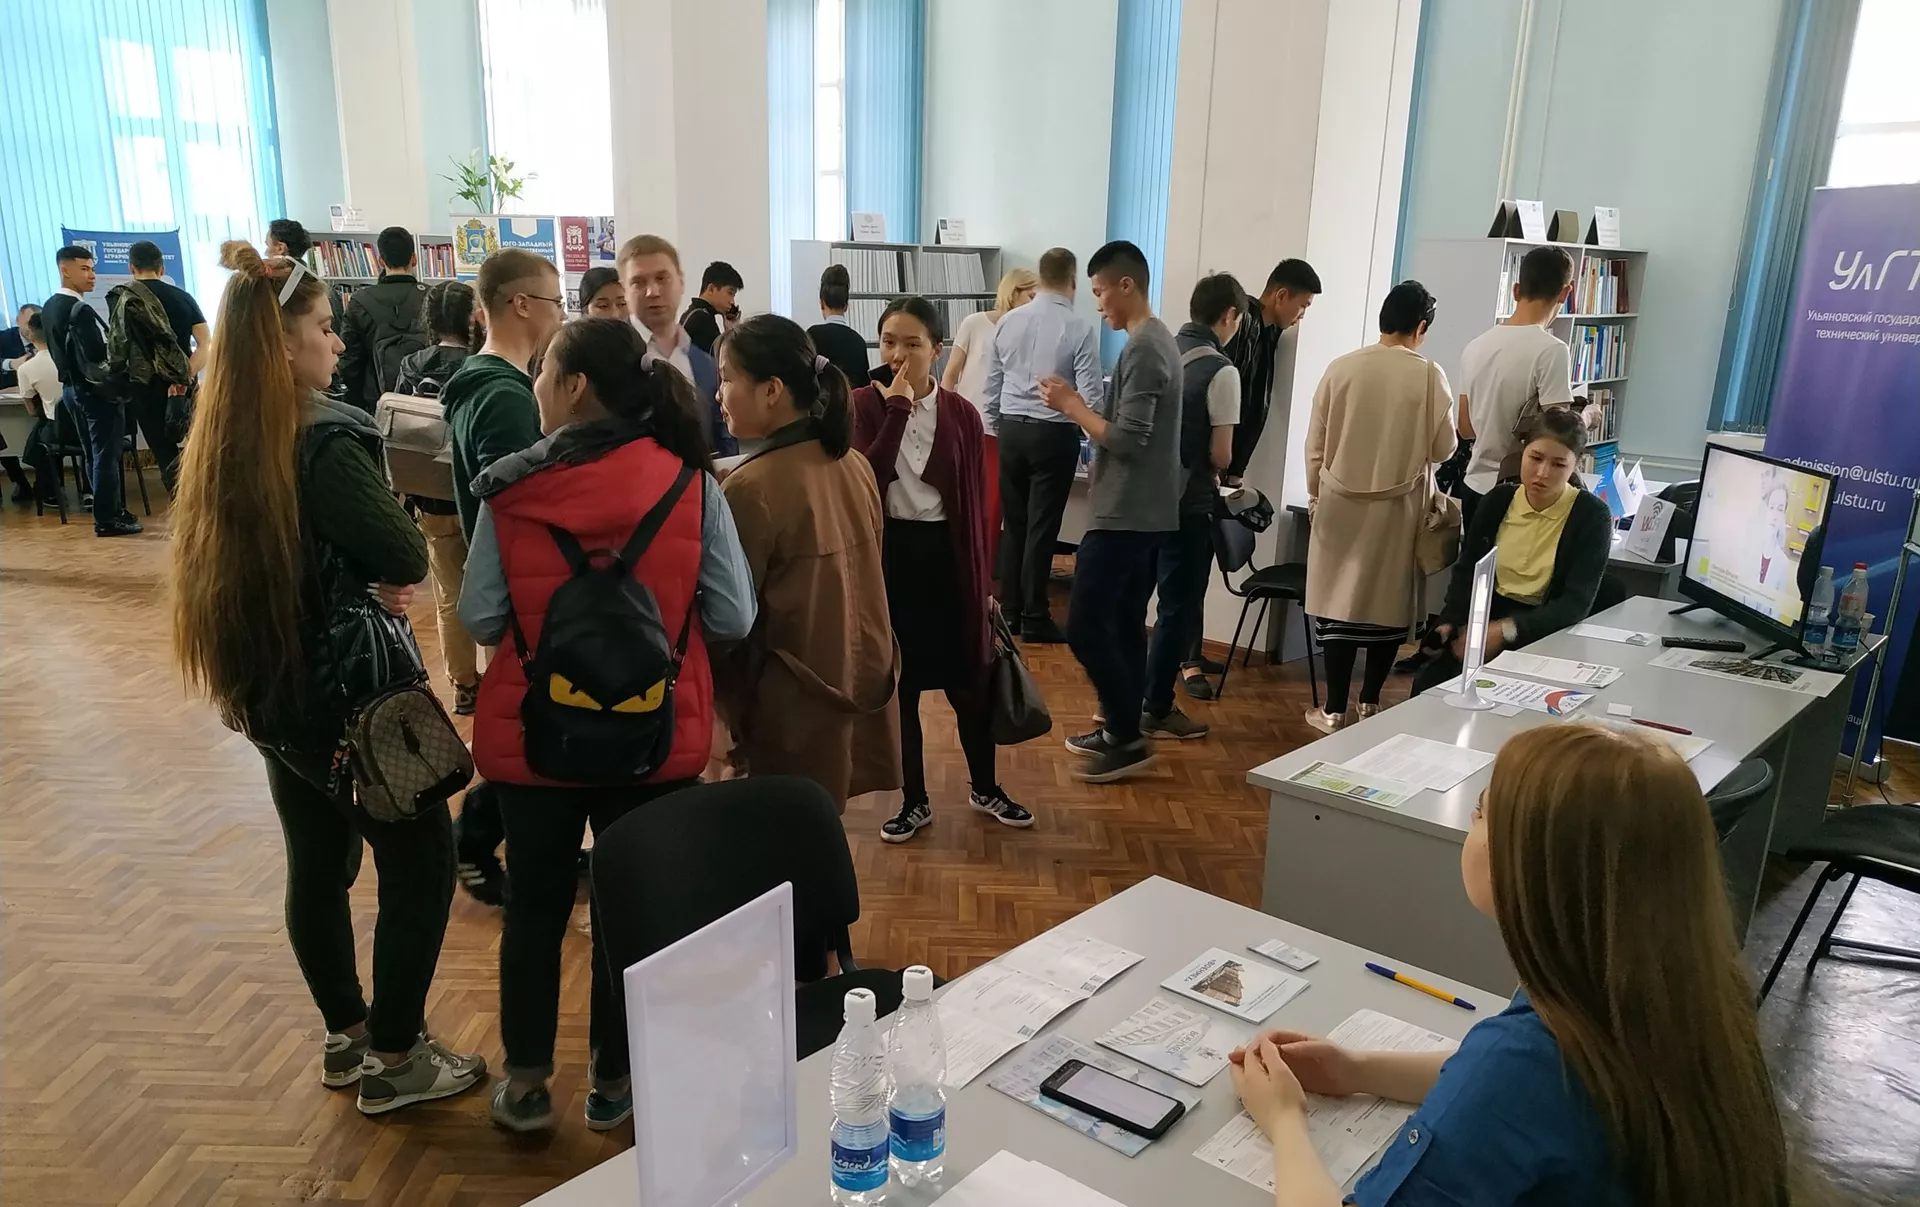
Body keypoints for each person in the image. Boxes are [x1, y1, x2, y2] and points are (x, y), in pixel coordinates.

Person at [169, 241, 485, 1115]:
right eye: (321, 326)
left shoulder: (223, 433)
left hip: (269, 690)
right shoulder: (321, 438)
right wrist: (372, 571)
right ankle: (397, 1058)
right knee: (422, 859)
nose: (338, 342)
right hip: (343, 695)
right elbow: (400, 549)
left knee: (314, 859)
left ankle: (348, 1035)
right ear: (282, 346)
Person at [1229, 722, 1790, 1206]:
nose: (1469, 826)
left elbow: (1512, 1083)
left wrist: (1284, 1121)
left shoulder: (1518, 1064)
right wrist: (1357, 1069)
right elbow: (1524, 1087)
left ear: (1526, 866)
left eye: (1480, 813)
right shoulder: (1677, 985)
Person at [458, 317, 755, 1133]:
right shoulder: (691, 484)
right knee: (631, 908)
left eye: (544, 369)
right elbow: (734, 614)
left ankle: (526, 1085)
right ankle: (614, 1081)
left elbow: (480, 616)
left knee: (535, 909)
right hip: (654, 734)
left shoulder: (509, 490)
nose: (536, 383)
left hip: (537, 735)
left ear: (575, 385)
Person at [850, 297, 1031, 843]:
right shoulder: (862, 405)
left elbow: (976, 507)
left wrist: (984, 583)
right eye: (888, 342)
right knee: (902, 688)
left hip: (950, 557)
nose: (898, 355)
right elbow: (866, 479)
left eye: (912, 343)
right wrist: (897, 408)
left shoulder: (962, 414)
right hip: (892, 559)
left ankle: (985, 787)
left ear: (937, 349)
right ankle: (914, 800)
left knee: (969, 681)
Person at [712, 314, 902, 810]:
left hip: (791, 704)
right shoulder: (853, 463)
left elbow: (732, 622)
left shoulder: (751, 488)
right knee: (815, 824)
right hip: (853, 681)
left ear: (771, 390)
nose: (718, 394)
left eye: (727, 379)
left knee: (779, 831)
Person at [442, 248, 567, 902]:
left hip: (516, 594)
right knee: (528, 733)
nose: (561, 315)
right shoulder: (505, 397)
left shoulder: (485, 384)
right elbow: (523, 512)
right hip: (524, 597)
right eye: (556, 302)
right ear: (521, 304)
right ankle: (475, 840)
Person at [1041, 240, 1183, 783]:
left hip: (1126, 512)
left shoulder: (1146, 348)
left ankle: (1127, 733)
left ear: (1127, 285)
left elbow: (1128, 440)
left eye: (1100, 291)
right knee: (1123, 622)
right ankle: (1122, 727)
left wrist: (1072, 406)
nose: (1097, 303)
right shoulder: (1151, 342)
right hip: (1141, 510)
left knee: (1083, 625)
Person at [1302, 281, 1456, 732]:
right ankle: (1369, 702)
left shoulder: (1341, 368)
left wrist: (1317, 494)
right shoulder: (1429, 374)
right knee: (1387, 607)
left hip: (1338, 503)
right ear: (1421, 327)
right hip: (1399, 507)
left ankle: (1333, 710)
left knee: (1338, 604)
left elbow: (1315, 446)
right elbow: (1444, 448)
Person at [1412, 409, 1610, 696]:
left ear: (1575, 465)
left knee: (1506, 699)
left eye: (1558, 464)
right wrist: (1450, 621)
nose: (1542, 473)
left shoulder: (1592, 515)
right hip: (1486, 620)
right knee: (1427, 689)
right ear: (1522, 452)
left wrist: (1505, 631)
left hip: (1545, 630)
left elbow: (1574, 604)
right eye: (1536, 458)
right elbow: (1468, 571)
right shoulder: (1498, 501)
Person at [1143, 273, 1246, 732]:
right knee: (1176, 608)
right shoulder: (1222, 371)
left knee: (1135, 603)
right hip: (1188, 504)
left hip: (1142, 500)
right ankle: (1157, 706)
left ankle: (1120, 703)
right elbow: (1221, 454)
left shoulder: (1159, 352)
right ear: (1229, 315)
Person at [985, 247, 1102, 643]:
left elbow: (992, 384)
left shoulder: (1008, 321)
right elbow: (1090, 396)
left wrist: (1000, 425)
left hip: (1010, 431)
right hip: (1053, 433)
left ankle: (1011, 611)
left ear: (1040, 278)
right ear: (1073, 281)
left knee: (1015, 524)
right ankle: (1034, 616)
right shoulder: (1079, 327)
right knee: (1042, 526)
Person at [396, 280, 482, 716]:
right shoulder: (481, 366)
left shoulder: (412, 365)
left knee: (449, 596)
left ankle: (464, 685)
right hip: (477, 497)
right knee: (494, 589)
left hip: (430, 498)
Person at [1456, 246, 1576, 529]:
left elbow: (1465, 428)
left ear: (1516, 290)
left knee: (1478, 559)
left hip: (1474, 487)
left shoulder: (1475, 346)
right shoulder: (1552, 350)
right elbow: (1557, 437)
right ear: (1566, 293)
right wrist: (1588, 417)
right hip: (1521, 492)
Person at [944, 267, 1039, 566]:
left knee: (993, 507)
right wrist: (943, 418)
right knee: (961, 502)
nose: (1036, 303)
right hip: (966, 426)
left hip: (1002, 430)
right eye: (1031, 296)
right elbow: (951, 374)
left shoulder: (1029, 331)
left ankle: (983, 573)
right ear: (1014, 292)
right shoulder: (974, 323)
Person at [43, 244, 140, 536]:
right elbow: (97, 353)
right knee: (106, 456)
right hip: (94, 391)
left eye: (93, 269)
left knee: (92, 455)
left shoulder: (49, 307)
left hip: (70, 390)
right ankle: (108, 519)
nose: (92, 275)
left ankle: (105, 511)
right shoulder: (79, 309)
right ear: (65, 270)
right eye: (84, 269)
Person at [620, 235, 734, 456]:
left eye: (662, 278)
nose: (653, 291)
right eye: (638, 282)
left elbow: (722, 437)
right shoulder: (607, 356)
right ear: (624, 289)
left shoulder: (705, 363)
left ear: (681, 282)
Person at [112, 239, 205, 495]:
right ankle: (203, 497)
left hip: (144, 386)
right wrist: (185, 375)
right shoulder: (183, 297)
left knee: (164, 451)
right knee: (197, 442)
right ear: (162, 269)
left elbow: (118, 349)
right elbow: (206, 344)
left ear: (131, 268)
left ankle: (179, 500)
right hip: (183, 385)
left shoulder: (124, 300)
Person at [1226, 258, 1320, 483]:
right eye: (1303, 306)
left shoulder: (1269, 332)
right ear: (1281, 296)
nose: (1302, 315)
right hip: (1215, 464)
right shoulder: (1241, 324)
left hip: (1230, 467)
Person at [337, 225, 429, 409]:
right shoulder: (432, 297)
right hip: (425, 400)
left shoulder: (360, 301)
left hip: (376, 401)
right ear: (414, 259)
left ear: (380, 260)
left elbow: (349, 361)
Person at [16, 312, 65, 507]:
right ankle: (89, 491)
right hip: (86, 426)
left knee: (40, 434)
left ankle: (48, 492)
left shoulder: (26, 368)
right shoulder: (70, 358)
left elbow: (31, 410)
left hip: (57, 431)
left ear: (31, 336)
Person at [807, 263, 872, 386]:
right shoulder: (858, 342)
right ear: (846, 305)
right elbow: (864, 388)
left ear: (822, 304)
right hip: (850, 398)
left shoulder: (811, 336)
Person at [681, 260, 743, 356]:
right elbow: (721, 360)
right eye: (730, 293)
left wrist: (728, 330)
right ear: (711, 289)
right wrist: (731, 333)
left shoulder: (693, 313)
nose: (732, 302)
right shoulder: (701, 319)